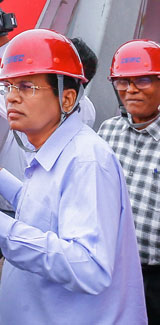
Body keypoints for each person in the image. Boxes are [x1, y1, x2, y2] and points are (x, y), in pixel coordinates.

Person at [0, 29, 147, 324]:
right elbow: (42, 207)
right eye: (8, 86)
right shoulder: (57, 147)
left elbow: (89, 267)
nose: (12, 97)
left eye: (27, 87)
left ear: (67, 99)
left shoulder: (86, 161)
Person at [0, 12, 98, 213]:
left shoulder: (34, 106)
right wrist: (3, 42)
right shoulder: (84, 107)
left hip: (15, 208)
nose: (13, 96)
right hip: (39, 206)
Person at [97, 39, 160, 323]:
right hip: (109, 271)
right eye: (122, 81)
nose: (131, 89)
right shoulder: (106, 133)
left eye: (143, 80)